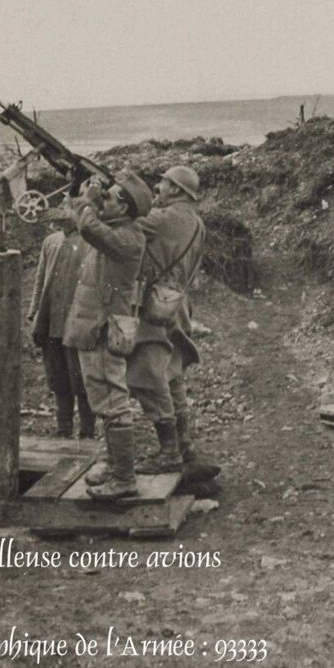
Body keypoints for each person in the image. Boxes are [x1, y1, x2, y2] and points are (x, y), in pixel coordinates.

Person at [62, 170, 154, 501]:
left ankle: (124, 478)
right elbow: (83, 215)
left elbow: (87, 224)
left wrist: (89, 199)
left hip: (103, 329)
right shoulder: (115, 229)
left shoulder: (128, 238)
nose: (104, 200)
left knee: (113, 402)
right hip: (93, 326)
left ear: (125, 208)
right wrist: (83, 190)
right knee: (102, 400)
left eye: (111, 197)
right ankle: (115, 467)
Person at [132, 165, 220, 487]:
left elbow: (125, 227)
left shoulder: (165, 218)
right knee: (173, 375)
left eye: (164, 184)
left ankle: (168, 451)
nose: (158, 187)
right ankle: (185, 447)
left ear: (179, 191)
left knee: (148, 374)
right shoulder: (196, 222)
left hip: (155, 305)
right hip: (177, 303)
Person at [28, 208, 96, 439]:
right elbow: (40, 280)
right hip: (52, 317)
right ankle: (62, 428)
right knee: (57, 377)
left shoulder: (92, 242)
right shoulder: (51, 242)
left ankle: (87, 430)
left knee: (81, 377)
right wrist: (35, 312)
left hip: (78, 319)